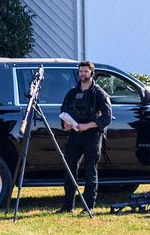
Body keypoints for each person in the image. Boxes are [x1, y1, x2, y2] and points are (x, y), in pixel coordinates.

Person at [57, 61, 112, 214]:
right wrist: (66, 124)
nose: (82, 74)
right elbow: (63, 110)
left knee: (90, 171)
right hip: (74, 135)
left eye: (86, 71)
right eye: (81, 71)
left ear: (91, 73)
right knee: (69, 169)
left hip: (92, 136)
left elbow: (107, 117)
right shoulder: (72, 93)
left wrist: (87, 125)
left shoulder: (99, 93)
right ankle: (68, 206)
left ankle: (88, 207)